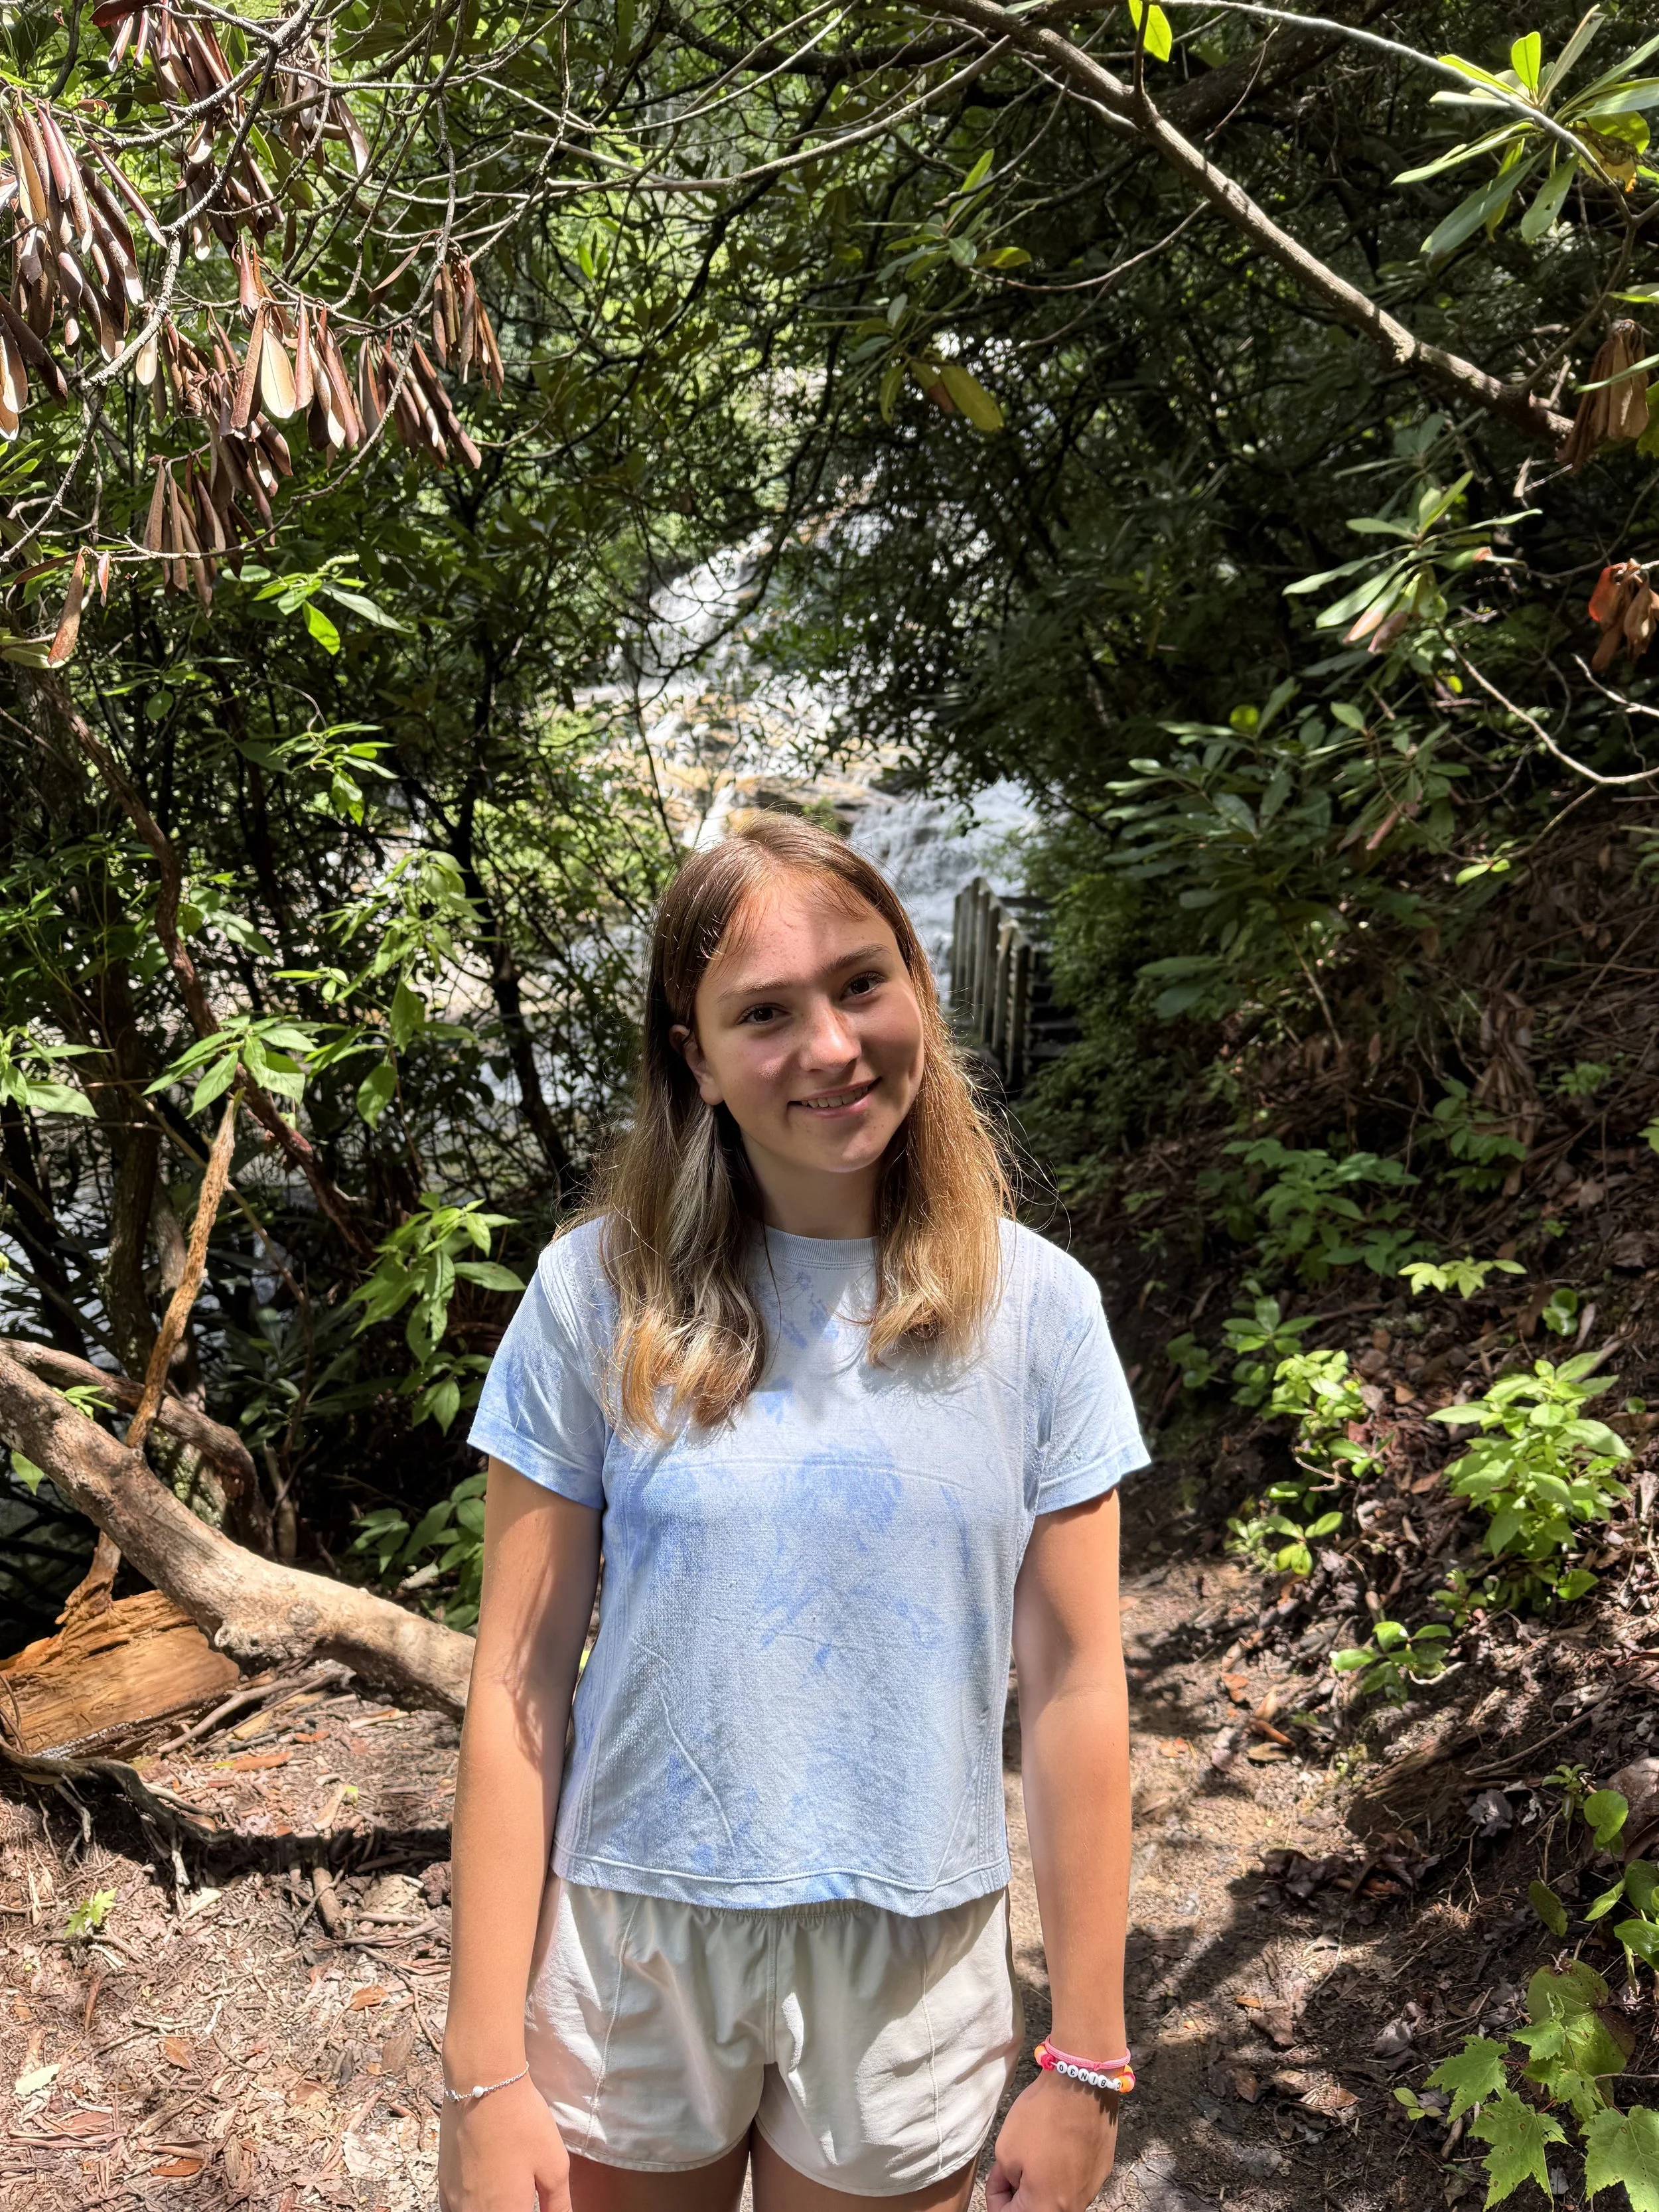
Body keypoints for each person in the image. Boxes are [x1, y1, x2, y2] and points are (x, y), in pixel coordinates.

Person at [437, 814, 1147, 2212]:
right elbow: (516, 1684)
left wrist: (1087, 2059)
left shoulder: (1039, 1311)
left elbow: (1073, 1684)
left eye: (859, 982)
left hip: (911, 1952)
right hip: (633, 1943)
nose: (827, 1046)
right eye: (762, 1013)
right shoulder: (596, 1296)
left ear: (920, 992)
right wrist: (479, 2073)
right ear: (693, 1058)